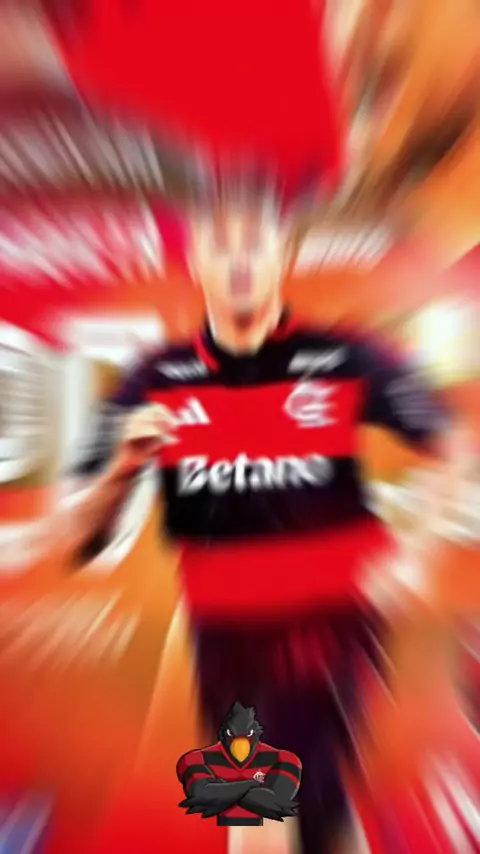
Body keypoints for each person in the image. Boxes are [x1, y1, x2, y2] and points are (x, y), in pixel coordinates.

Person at [63, 169, 449, 854]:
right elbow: (80, 538)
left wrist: (418, 549)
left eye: (255, 242)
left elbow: (450, 443)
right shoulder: (153, 380)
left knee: (285, 817)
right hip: (226, 641)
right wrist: (120, 470)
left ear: (281, 255)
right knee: (287, 817)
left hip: (335, 629)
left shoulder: (344, 357)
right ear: (197, 262)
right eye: (222, 243)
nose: (240, 258)